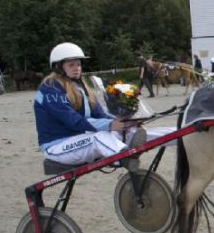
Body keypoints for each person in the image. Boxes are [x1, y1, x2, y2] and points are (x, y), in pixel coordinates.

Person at [34, 42, 175, 171]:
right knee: (99, 137)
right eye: (71, 65)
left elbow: (100, 115)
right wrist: (110, 124)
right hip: (56, 146)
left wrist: (124, 122)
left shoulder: (81, 87)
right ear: (59, 67)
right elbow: (73, 121)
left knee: (127, 131)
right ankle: (125, 156)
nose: (77, 68)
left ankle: (178, 134)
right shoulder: (50, 89)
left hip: (80, 140)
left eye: (78, 64)